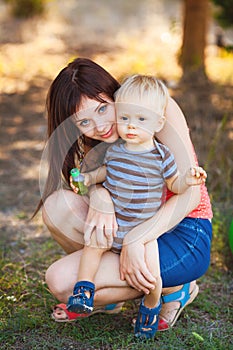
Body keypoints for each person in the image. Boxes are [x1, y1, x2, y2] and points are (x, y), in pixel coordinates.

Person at [36, 57, 212, 333]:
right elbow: (102, 174)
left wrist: (136, 238)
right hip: (134, 222)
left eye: (103, 108)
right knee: (57, 206)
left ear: (114, 93)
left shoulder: (153, 109)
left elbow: (190, 195)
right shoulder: (110, 132)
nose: (99, 126)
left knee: (61, 282)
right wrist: (100, 196)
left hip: (183, 229)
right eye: (84, 122)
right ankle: (109, 290)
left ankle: (175, 288)